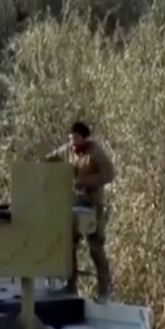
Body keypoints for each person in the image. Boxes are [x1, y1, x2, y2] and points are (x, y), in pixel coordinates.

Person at [45, 121, 116, 302]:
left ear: (85, 138)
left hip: (93, 206)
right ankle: (71, 287)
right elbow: (50, 158)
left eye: (77, 138)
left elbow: (109, 174)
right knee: (69, 246)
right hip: (74, 204)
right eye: (71, 138)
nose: (73, 142)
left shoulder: (95, 152)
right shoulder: (68, 150)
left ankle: (104, 291)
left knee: (96, 248)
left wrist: (84, 182)